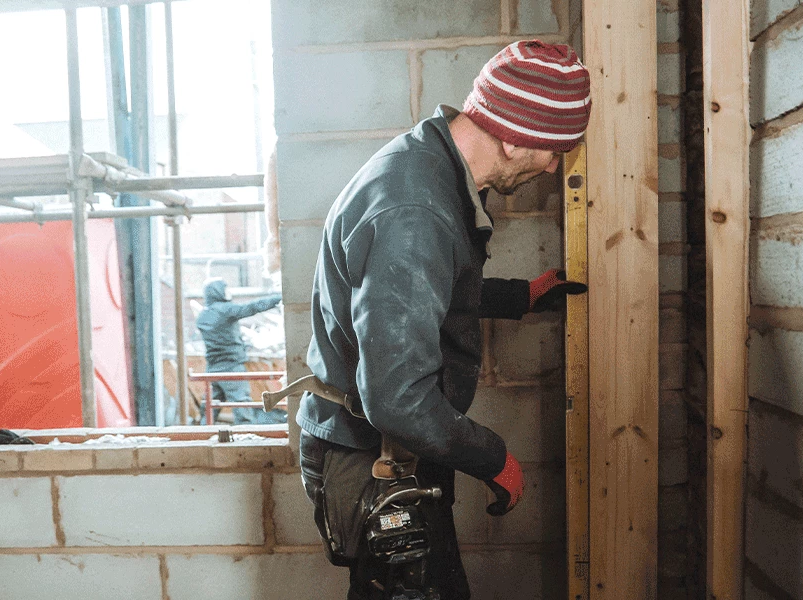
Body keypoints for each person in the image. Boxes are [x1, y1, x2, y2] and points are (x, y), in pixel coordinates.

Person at [297, 41, 592, 599]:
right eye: (553, 150)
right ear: (510, 134)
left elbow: (420, 291)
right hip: (379, 454)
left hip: (402, 445)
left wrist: (517, 297)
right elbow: (397, 398)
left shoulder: (428, 162)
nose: (553, 166)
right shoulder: (415, 210)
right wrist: (493, 456)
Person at [195, 278, 285, 424]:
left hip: (212, 369)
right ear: (219, 292)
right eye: (226, 289)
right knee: (242, 408)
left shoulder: (203, 316)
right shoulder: (226, 310)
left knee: (209, 411)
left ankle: (200, 438)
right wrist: (279, 299)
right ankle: (246, 440)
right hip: (232, 368)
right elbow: (253, 307)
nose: (229, 292)